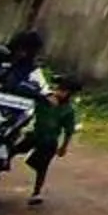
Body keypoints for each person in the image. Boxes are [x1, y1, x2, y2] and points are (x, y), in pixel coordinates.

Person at [21, 76, 80, 206]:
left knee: (42, 167)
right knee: (10, 151)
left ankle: (36, 192)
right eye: (58, 88)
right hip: (34, 134)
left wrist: (64, 147)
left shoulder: (68, 110)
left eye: (63, 90)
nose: (58, 92)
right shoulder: (44, 100)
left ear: (69, 94)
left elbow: (69, 130)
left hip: (49, 140)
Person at [0, 29, 51, 102]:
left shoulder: (30, 68)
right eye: (22, 49)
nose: (23, 54)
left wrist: (49, 95)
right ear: (15, 46)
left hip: (14, 111)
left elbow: (43, 88)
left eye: (29, 51)